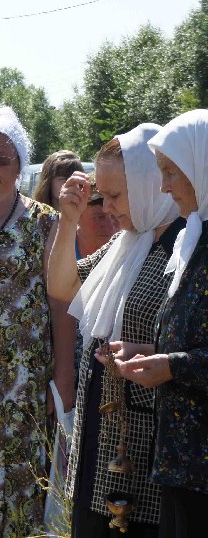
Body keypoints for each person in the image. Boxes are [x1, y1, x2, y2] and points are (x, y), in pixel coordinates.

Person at [48, 125, 180, 537]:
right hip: (100, 434)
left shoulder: (184, 246)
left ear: (148, 185)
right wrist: (68, 222)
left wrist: (151, 352)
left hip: (143, 443)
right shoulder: (128, 243)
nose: (106, 208)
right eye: (101, 196)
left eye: (116, 195)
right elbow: (63, 287)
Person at [0, 106, 77, 536]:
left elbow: (61, 302)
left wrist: (63, 377)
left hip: (21, 383)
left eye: (2, 159)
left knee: (20, 486)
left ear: (20, 166)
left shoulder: (44, 222)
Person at [106, 110, 208, 537]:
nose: (164, 186)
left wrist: (172, 366)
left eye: (171, 172)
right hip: (182, 463)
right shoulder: (195, 239)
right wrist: (150, 353)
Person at [75, 174, 119, 258]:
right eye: (100, 217)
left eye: (114, 216)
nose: (110, 227)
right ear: (77, 216)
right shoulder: (60, 247)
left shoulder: (128, 247)